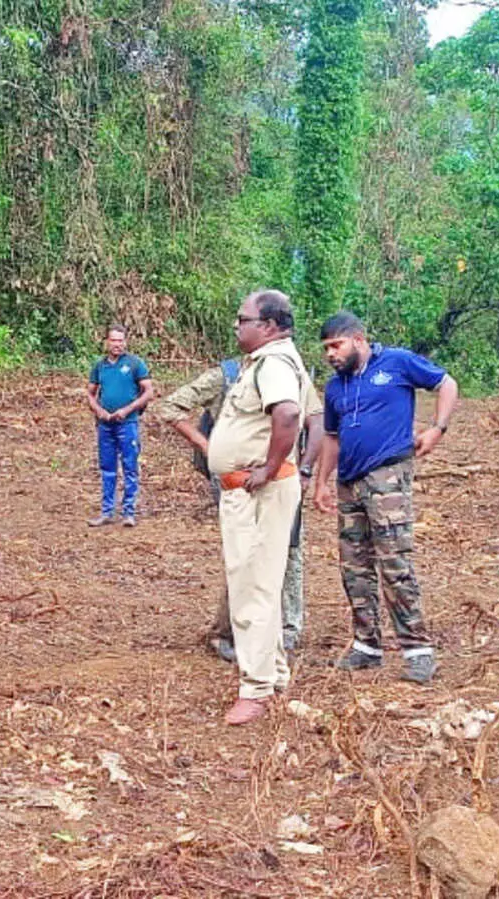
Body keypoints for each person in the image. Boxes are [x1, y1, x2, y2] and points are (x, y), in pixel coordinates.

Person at [314, 311, 458, 684]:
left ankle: (418, 650)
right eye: (326, 348)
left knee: (395, 563)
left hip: (388, 476)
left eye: (336, 345)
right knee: (354, 568)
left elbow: (446, 383)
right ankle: (367, 646)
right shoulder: (335, 388)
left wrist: (437, 429)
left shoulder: (397, 362)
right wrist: (321, 483)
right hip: (349, 482)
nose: (331, 354)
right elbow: (331, 437)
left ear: (358, 339)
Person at [153, 358, 323, 660]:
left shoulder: (291, 371)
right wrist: (209, 448)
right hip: (239, 480)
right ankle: (228, 632)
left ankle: (286, 630)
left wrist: (305, 469)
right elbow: (170, 407)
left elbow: (315, 418)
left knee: (289, 549)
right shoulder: (227, 375)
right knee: (246, 555)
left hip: (282, 475)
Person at [206, 290, 319, 726]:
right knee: (262, 585)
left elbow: (290, 415)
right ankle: (273, 675)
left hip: (258, 493)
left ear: (268, 325)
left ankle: (255, 689)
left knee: (251, 586)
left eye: (243, 319)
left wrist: (270, 468)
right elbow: (316, 415)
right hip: (256, 490)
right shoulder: (280, 360)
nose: (238, 326)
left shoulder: (273, 363)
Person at [86, 324, 154, 527]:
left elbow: (148, 392)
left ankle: (129, 512)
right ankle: (107, 512)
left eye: (120, 340)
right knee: (107, 467)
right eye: (113, 340)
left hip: (128, 424)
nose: (117, 344)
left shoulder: (135, 364)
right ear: (107, 342)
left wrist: (127, 410)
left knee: (130, 467)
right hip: (106, 424)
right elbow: (90, 393)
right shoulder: (100, 366)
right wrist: (99, 411)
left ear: (126, 341)